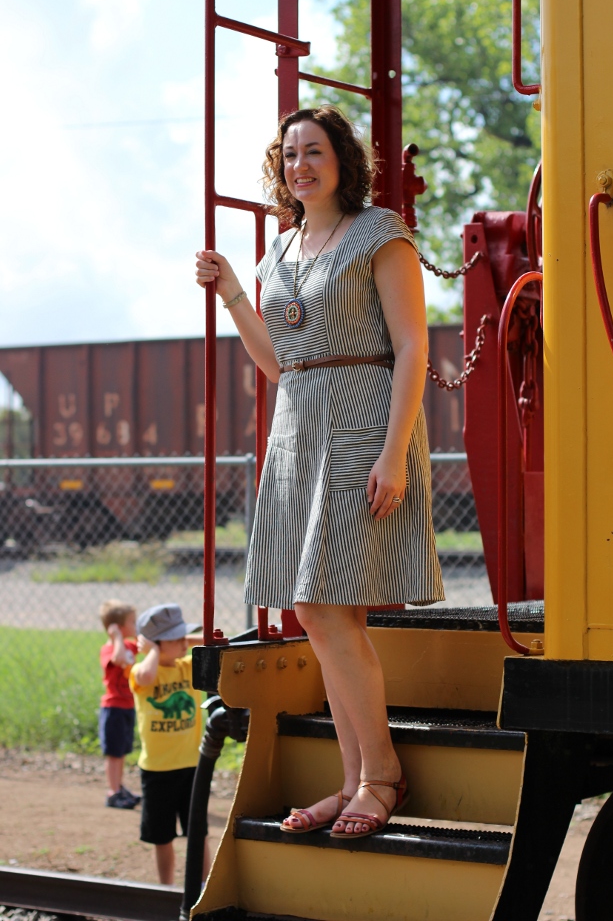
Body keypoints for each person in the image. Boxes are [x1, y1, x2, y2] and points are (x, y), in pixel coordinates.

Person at [195, 105, 444, 840]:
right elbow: (277, 361)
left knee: (327, 610)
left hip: (363, 425)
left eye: (316, 151)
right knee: (320, 611)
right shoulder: (281, 251)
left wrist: (394, 450)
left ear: (342, 161)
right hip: (299, 429)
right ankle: (352, 780)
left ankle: (383, 777)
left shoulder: (380, 233)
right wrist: (235, 292)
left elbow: (412, 350)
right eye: (291, 154)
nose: (301, 164)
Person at [130, 603, 211, 886]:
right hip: (157, 772)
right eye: (175, 638)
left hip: (192, 766)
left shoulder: (187, 666)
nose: (183, 643)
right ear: (153, 644)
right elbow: (146, 677)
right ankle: (164, 888)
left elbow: (215, 643)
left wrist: (181, 640)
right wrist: (153, 650)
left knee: (197, 833)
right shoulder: (141, 672)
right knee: (161, 837)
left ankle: (202, 886)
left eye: (183, 637)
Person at [98, 599, 141, 810]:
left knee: (122, 752)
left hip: (128, 706)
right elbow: (117, 658)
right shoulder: (109, 649)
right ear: (118, 627)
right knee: (114, 754)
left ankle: (119, 787)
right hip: (113, 707)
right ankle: (113, 792)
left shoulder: (130, 645)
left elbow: (146, 645)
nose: (136, 625)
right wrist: (115, 636)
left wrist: (134, 635)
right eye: (132, 622)